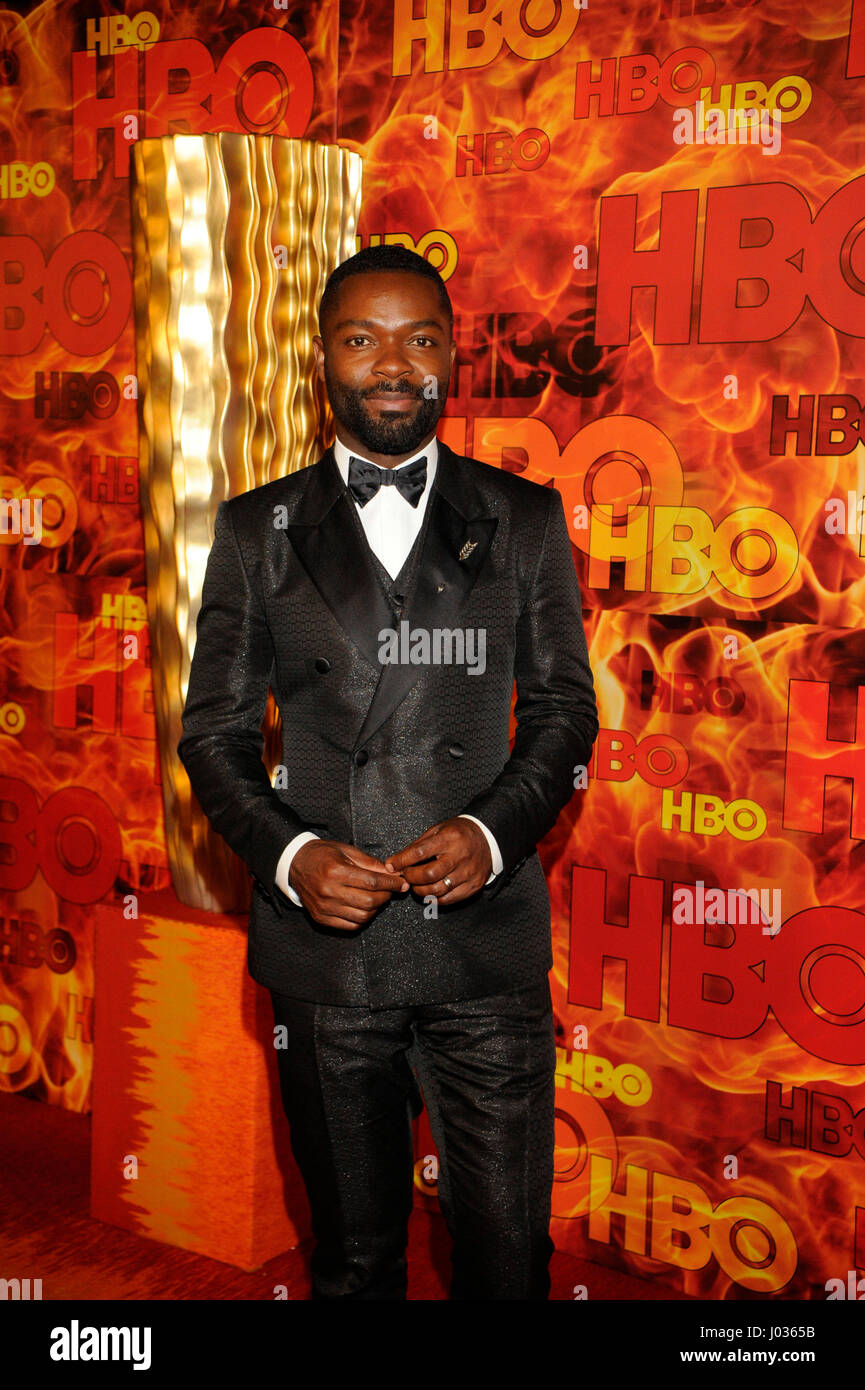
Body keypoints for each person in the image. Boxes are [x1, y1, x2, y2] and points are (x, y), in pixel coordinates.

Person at [177, 244, 598, 1300]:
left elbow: (561, 710)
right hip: (329, 961)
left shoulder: (525, 516)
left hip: (485, 952)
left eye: (418, 338)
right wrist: (293, 856)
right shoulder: (254, 530)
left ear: (453, 352)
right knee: (355, 1262)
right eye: (363, 339)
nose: (393, 365)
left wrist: (495, 833)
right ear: (324, 356)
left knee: (507, 1261)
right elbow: (213, 735)